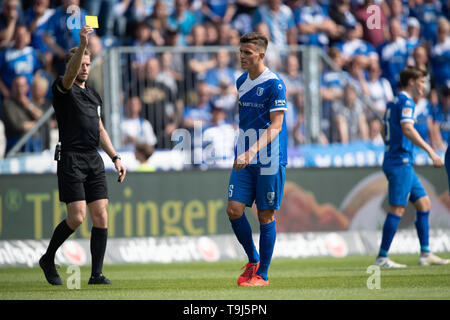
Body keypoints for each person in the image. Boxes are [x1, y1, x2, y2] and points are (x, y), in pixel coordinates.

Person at [38, 25, 127, 286]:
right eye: (81, 64)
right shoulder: (63, 89)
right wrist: (84, 41)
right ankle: (48, 258)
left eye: (88, 63)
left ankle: (96, 274)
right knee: (77, 217)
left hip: (93, 158)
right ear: (72, 67)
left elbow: (100, 128)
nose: (85, 68)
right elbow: (69, 76)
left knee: (101, 214)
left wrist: (115, 157)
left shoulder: (93, 94)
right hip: (72, 158)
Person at [227, 32, 287, 287]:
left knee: (265, 215)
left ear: (261, 55)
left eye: (247, 53)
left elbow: (276, 125)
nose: (242, 56)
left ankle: (262, 275)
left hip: (269, 160)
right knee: (234, 209)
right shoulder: (241, 81)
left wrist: (252, 151)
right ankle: (253, 259)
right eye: (241, 52)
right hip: (245, 158)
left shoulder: (275, 84)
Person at [374, 66, 449, 268]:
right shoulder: (407, 102)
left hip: (397, 160)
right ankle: (382, 257)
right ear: (411, 82)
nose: (424, 86)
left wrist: (391, 147)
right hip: (401, 162)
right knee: (397, 208)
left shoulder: (392, 102)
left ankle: (425, 253)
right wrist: (430, 151)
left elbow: (383, 128)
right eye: (422, 82)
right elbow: (407, 128)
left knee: (424, 203)